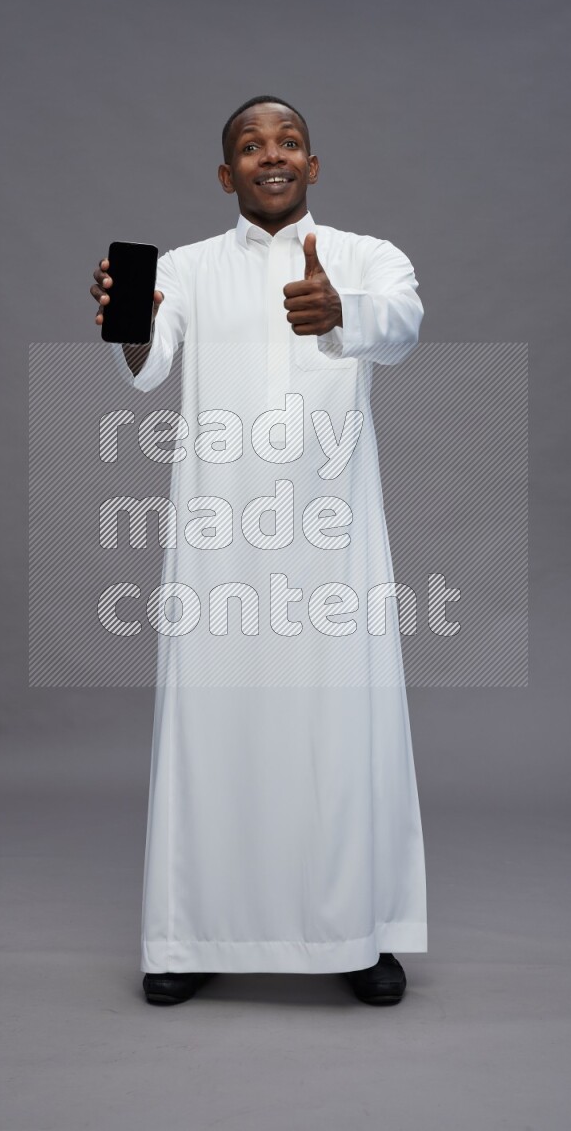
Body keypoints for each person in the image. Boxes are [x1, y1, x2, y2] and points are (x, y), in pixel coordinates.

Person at [90, 96, 427, 1007]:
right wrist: (126, 317)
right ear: (225, 172)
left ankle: (358, 933)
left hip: (332, 546)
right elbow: (147, 364)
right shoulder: (186, 270)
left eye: (287, 144)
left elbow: (401, 326)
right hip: (221, 546)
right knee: (214, 730)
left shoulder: (366, 258)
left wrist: (340, 311)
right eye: (249, 145)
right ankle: (195, 932)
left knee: (341, 732)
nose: (268, 155)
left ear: (313, 166)